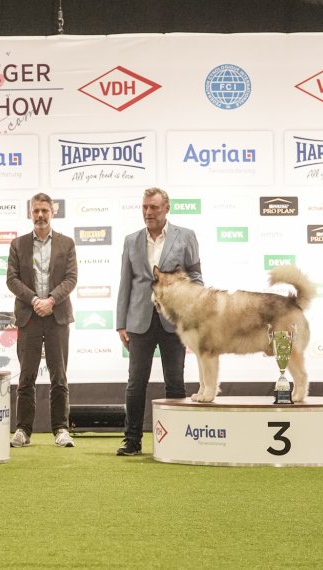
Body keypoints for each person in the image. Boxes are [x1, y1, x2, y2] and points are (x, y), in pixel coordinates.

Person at [115, 187, 202, 456]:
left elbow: (196, 277)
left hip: (174, 321)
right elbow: (125, 283)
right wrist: (121, 323)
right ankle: (132, 441)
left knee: (175, 382)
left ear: (166, 209)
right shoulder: (131, 240)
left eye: (153, 207)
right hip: (138, 320)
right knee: (135, 383)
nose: (148, 212)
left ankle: (176, 442)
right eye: (145, 207)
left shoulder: (186, 236)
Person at [6, 192, 78, 449]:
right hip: (29, 317)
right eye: (36, 211)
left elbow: (71, 278)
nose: (40, 215)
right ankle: (23, 430)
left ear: (52, 212)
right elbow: (12, 279)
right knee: (26, 376)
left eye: (44, 211)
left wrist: (51, 301)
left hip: (57, 316)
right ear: (30, 213)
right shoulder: (18, 244)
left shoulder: (66, 243)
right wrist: (35, 300)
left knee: (59, 376)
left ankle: (61, 429)